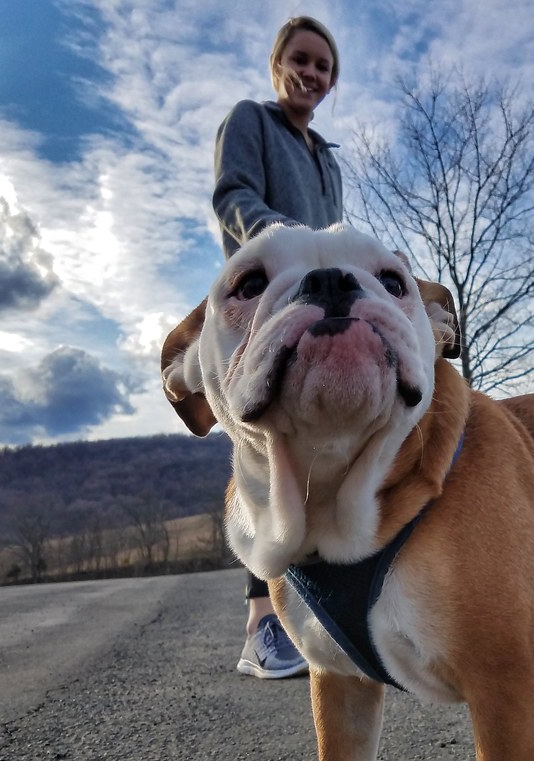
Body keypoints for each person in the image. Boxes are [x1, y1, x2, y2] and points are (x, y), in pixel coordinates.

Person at [212, 15, 343, 678]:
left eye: (324, 65)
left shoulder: (330, 157)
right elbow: (231, 193)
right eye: (301, 58)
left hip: (325, 307)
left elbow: (337, 231)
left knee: (322, 446)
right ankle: (260, 623)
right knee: (264, 443)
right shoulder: (250, 121)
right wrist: (285, 240)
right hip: (266, 303)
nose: (312, 72)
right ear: (277, 64)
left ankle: (322, 610)